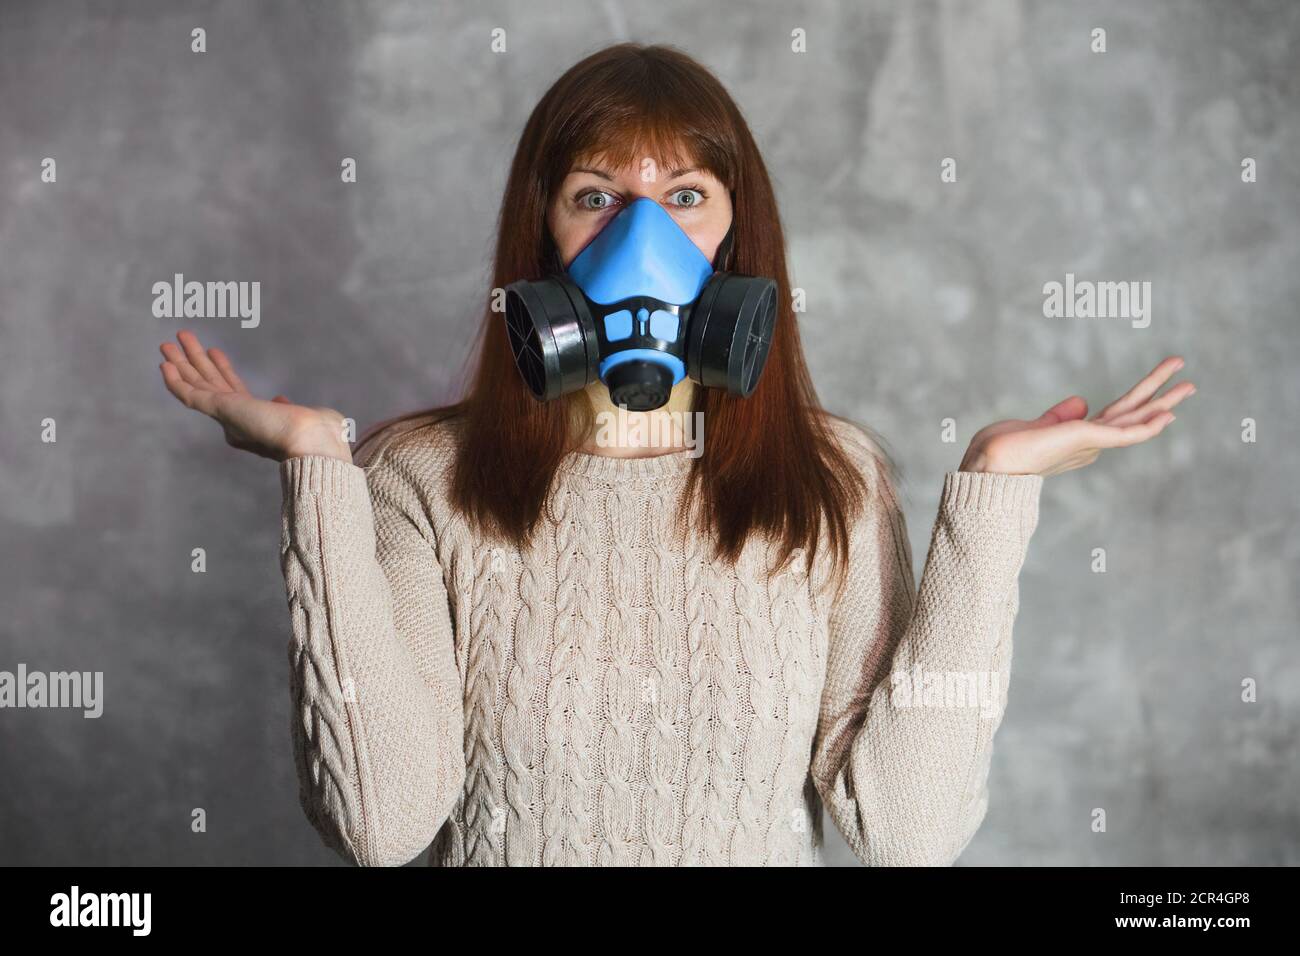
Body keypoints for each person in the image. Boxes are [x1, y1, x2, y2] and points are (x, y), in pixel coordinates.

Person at [158, 42, 1194, 867]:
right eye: (596, 196)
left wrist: (995, 488)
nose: (639, 239)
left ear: (737, 243)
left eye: (685, 196)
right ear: (544, 234)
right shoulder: (422, 477)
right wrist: (318, 467)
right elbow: (383, 826)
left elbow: (906, 833)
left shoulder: (831, 482)